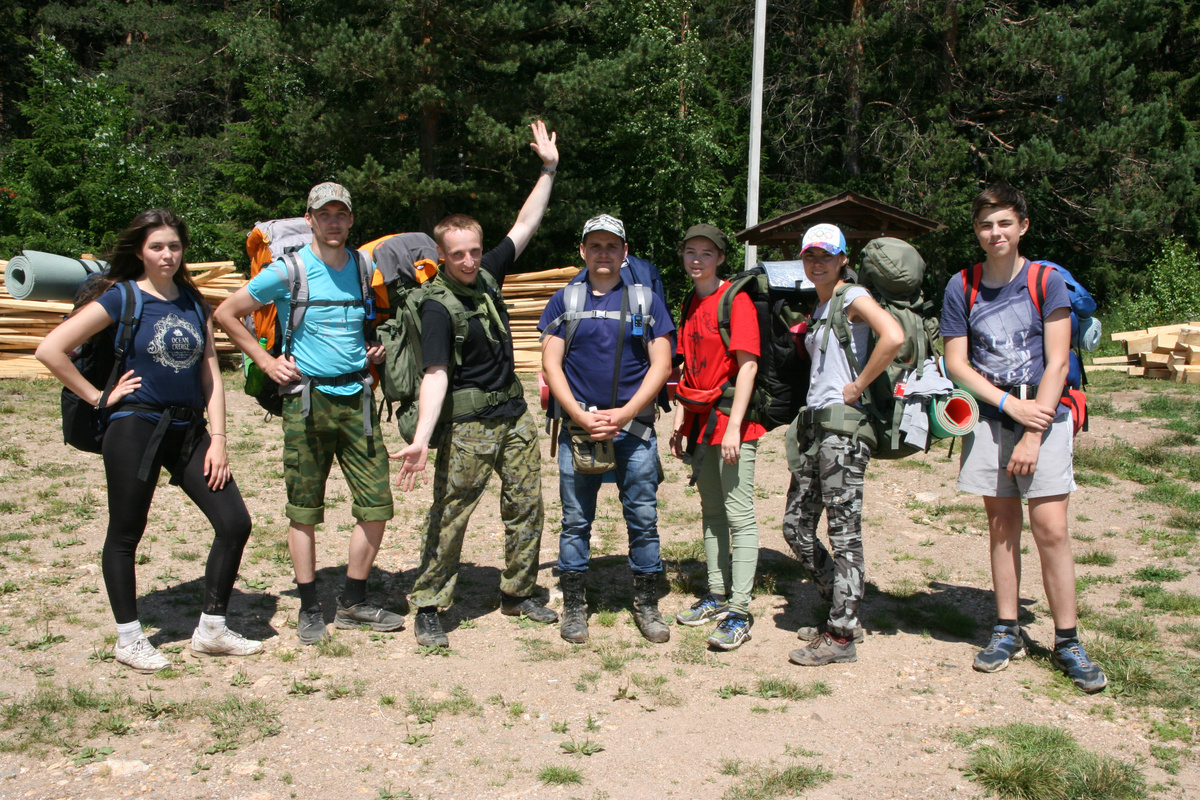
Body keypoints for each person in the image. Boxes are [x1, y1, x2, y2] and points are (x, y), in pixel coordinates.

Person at [36, 209, 260, 672]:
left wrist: (219, 438)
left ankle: (212, 630)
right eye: (157, 246)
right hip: (135, 426)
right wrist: (99, 397)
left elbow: (211, 375)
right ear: (140, 251)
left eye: (174, 246)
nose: (167, 255)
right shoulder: (122, 297)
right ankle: (129, 638)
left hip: (188, 428)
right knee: (125, 532)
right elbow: (50, 349)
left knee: (234, 522)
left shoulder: (194, 303)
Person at [394, 120, 560, 648]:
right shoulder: (437, 306)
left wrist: (549, 169)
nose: (468, 260)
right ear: (441, 255)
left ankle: (518, 592)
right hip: (468, 427)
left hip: (514, 416)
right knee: (451, 515)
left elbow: (526, 224)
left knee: (527, 506)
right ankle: (428, 603)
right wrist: (422, 439)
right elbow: (435, 374)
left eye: (474, 250)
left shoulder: (487, 274)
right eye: (458, 253)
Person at [214, 182, 401, 645]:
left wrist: (372, 348)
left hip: (357, 401)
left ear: (351, 220)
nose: (333, 222)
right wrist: (265, 361)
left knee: (377, 504)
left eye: (341, 214)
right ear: (310, 219)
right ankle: (310, 606)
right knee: (304, 509)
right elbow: (226, 313)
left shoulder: (364, 267)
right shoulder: (288, 270)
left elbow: (363, 324)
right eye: (325, 214)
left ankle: (353, 601)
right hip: (307, 402)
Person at [940, 183, 1106, 693]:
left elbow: (1057, 361)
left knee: (1050, 527)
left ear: (1023, 226)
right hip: (992, 416)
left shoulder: (1045, 281)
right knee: (1001, 525)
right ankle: (1006, 629)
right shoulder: (961, 286)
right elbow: (956, 362)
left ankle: (1067, 641)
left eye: (1005, 223)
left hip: (1046, 414)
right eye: (986, 224)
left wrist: (1034, 430)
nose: (996, 233)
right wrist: (1008, 405)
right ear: (976, 230)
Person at [539, 214, 675, 644]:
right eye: (595, 245)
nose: (603, 253)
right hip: (579, 431)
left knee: (643, 519)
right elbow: (550, 364)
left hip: (634, 430)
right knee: (576, 520)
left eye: (612, 246)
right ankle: (574, 606)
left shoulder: (645, 300)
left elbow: (662, 365)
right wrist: (579, 416)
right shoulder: (565, 300)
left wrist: (625, 413)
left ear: (624, 252)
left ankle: (647, 604)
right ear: (583, 251)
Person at [784, 223, 903, 667]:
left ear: (842, 259)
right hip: (818, 432)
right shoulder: (821, 306)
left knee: (843, 534)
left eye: (826, 255)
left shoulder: (852, 296)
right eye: (810, 255)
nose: (817, 262)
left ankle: (841, 635)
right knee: (796, 526)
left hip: (844, 434)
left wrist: (858, 385)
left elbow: (893, 336)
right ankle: (842, 610)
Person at [669, 224, 762, 650]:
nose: (697, 259)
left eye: (707, 253)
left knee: (739, 514)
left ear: (721, 258)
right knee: (711, 511)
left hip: (731, 421)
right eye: (691, 251)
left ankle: (739, 611)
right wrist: (679, 420)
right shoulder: (690, 301)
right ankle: (717, 594)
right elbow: (688, 368)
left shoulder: (735, 300)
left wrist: (736, 428)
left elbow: (748, 366)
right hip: (699, 422)